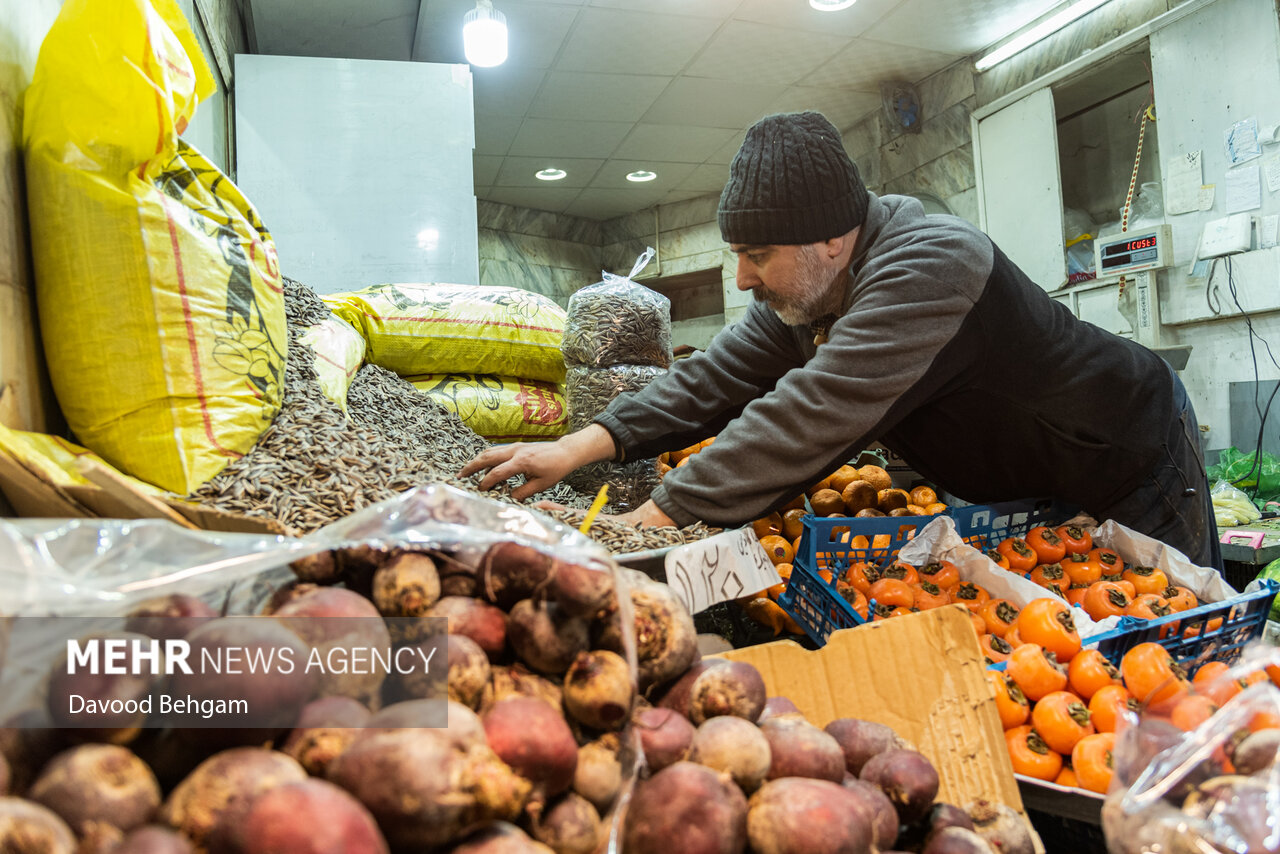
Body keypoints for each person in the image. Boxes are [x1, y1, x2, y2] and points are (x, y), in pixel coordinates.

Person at [461, 110, 1222, 571]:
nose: (744, 280)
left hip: (1127, 462)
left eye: (757, 256)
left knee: (1168, 654)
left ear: (831, 238)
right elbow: (713, 380)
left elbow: (812, 409)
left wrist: (647, 527)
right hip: (1024, 490)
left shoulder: (933, 265)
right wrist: (576, 447)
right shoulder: (814, 289)